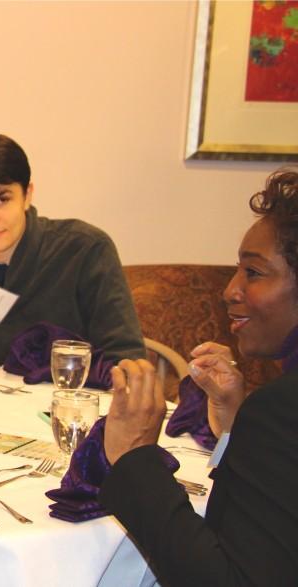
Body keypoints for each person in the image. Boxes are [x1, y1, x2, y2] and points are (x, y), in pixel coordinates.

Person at [100, 169, 298, 585]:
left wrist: (135, 458)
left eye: (254, 273)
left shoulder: (280, 409)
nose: (229, 290)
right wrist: (235, 426)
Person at [0, 133, 145, 363]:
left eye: (1, 200)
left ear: (27, 195)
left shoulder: (84, 250)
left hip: (63, 397)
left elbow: (125, 357)